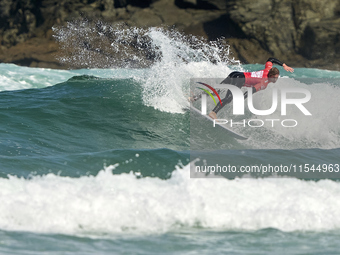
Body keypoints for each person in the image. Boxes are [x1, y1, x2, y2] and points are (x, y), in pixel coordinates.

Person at [208, 57, 294, 119]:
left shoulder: (268, 69)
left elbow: (271, 59)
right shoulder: (264, 83)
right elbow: (250, 91)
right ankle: (213, 112)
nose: (276, 79)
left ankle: (195, 97)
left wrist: (283, 65)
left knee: (216, 91)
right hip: (239, 80)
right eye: (275, 77)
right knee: (228, 98)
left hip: (235, 74)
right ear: (271, 76)